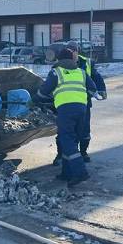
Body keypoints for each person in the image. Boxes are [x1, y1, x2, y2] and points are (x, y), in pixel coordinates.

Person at [38, 48, 96, 186]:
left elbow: (43, 92)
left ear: (58, 59)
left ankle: (80, 172)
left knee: (67, 139)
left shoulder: (55, 72)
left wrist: (35, 99)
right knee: (73, 139)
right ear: (72, 59)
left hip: (65, 110)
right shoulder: (81, 72)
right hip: (82, 109)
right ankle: (66, 173)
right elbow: (93, 89)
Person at [51, 41, 106, 165]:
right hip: (64, 103)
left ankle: (83, 152)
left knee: (84, 130)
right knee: (63, 132)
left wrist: (101, 90)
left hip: (83, 103)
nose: (71, 53)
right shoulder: (60, 64)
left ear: (77, 51)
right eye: (69, 50)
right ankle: (60, 155)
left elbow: (96, 78)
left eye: (73, 50)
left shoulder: (86, 63)